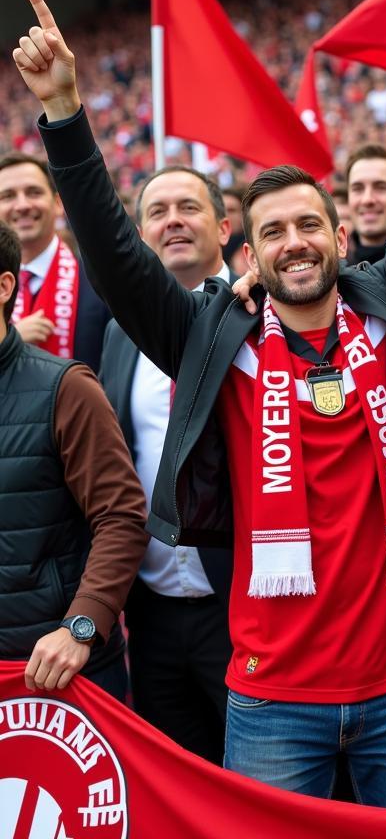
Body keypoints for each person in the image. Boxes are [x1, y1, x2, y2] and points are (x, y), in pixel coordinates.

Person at [13, 0, 386, 810]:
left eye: (311, 223)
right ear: (251, 253)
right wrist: (63, 114)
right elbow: (117, 258)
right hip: (272, 698)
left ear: (340, 233)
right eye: (276, 232)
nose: (296, 241)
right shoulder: (211, 335)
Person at [99, 166, 234, 764]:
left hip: (243, 609)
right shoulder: (119, 334)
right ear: (140, 233)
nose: (172, 220)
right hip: (150, 612)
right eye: (156, 211)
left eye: (188, 207)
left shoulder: (263, 316)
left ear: (225, 227)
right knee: (180, 788)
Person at [0, 220, 148, 700]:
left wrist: (82, 626)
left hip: (60, 675)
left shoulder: (66, 388)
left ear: (5, 286)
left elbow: (121, 515)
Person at [0, 153, 110, 371]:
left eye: (34, 192)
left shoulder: (101, 282)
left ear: (58, 203)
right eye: (8, 196)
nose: (22, 205)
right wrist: (10, 342)